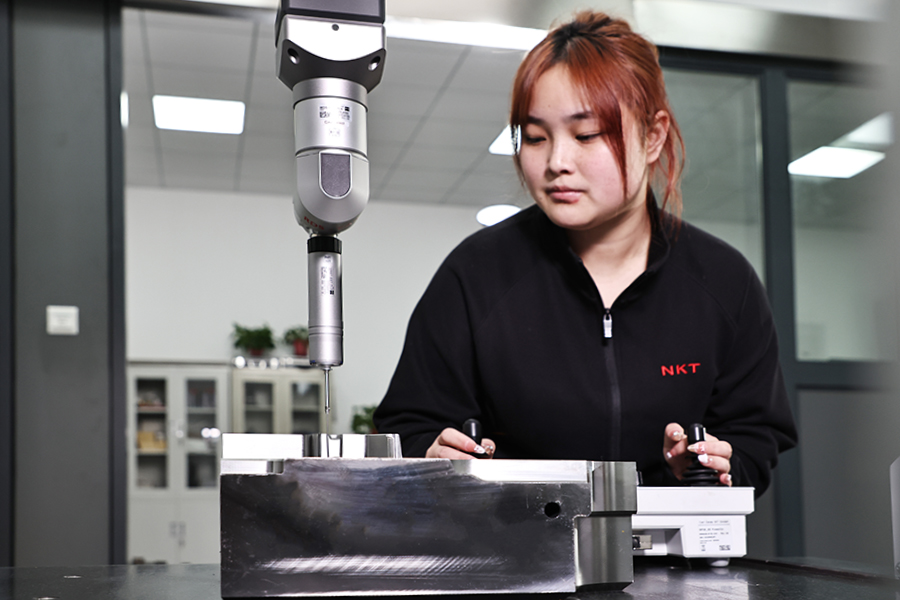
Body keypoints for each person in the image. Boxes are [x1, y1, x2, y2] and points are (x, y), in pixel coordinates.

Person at [373, 11, 797, 496]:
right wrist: (433, 456)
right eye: (536, 137)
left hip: (672, 542)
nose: (556, 162)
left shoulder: (723, 280)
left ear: (653, 136)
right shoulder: (475, 275)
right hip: (517, 540)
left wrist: (714, 467)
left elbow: (755, 439)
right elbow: (409, 427)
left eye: (586, 135)